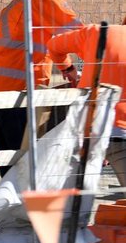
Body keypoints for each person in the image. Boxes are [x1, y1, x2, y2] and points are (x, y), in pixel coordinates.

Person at [0, 0, 83, 176]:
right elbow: (79, 35)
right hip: (15, 89)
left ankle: (13, 207)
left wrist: (68, 69)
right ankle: (22, 207)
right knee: (24, 164)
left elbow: (52, 41)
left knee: (11, 158)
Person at [48, 22, 126, 194]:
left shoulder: (97, 32)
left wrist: (67, 68)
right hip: (120, 134)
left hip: (84, 129)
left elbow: (53, 45)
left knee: (72, 202)